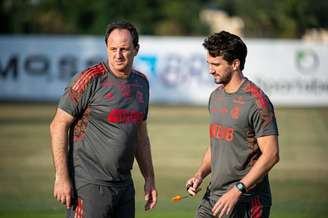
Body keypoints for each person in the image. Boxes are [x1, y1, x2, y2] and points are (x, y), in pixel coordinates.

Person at [50, 20, 157, 218]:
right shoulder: (89, 79)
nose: (118, 55)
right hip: (89, 186)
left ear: (136, 49)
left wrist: (149, 178)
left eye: (124, 49)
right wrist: (62, 177)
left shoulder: (141, 83)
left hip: (124, 187)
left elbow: (140, 136)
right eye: (113, 49)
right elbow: (58, 124)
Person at [185, 31, 280, 218]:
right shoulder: (216, 96)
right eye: (209, 64)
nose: (210, 70)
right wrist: (199, 175)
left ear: (235, 64)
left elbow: (272, 155)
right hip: (214, 196)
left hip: (246, 200)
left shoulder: (257, 102)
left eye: (216, 64)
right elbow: (217, 144)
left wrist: (238, 190)